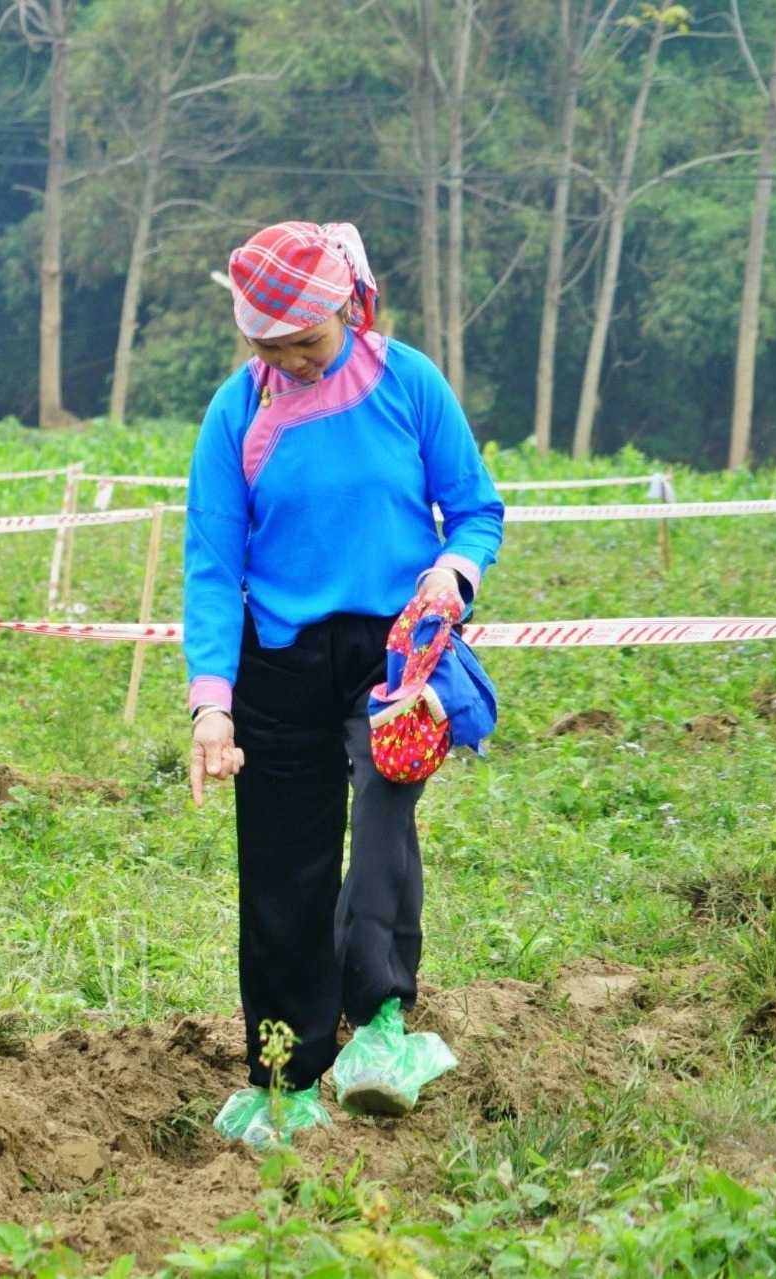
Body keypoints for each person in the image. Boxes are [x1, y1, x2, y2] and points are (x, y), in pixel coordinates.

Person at [183, 221, 503, 1146]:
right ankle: (285, 1075)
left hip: (395, 652)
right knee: (281, 865)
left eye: (308, 342)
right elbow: (213, 566)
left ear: (349, 311)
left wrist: (455, 573)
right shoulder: (235, 413)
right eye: (271, 347)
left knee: (384, 821)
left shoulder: (410, 382)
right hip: (278, 657)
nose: (293, 359)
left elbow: (475, 509)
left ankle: (383, 1022)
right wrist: (212, 704)